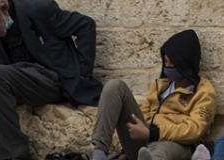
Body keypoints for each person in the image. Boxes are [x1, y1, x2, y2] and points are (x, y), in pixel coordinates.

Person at [0, 0, 103, 160]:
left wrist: (82, 73)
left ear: (3, 7)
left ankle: (14, 156)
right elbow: (5, 64)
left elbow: (86, 25)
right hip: (20, 82)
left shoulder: (39, 10)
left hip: (51, 80)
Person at [90, 29, 217, 160]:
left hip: (175, 144)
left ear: (184, 63)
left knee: (159, 152)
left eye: (172, 63)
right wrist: (125, 153)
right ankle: (99, 153)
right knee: (114, 86)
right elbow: (144, 117)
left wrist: (152, 133)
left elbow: (194, 130)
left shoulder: (204, 92)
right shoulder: (160, 86)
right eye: (165, 62)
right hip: (145, 139)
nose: (167, 66)